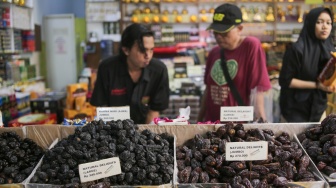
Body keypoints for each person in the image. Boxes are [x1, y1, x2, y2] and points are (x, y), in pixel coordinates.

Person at [197, 3, 272, 122]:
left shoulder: (250, 46)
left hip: (237, 127)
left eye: (224, 32)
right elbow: (208, 90)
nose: (219, 37)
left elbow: (258, 90)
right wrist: (199, 121)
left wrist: (262, 125)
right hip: (211, 124)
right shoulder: (214, 52)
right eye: (215, 32)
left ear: (240, 29)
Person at [90, 23, 170, 124]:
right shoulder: (107, 69)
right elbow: (102, 107)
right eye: (142, 50)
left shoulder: (159, 70)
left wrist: (144, 136)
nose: (148, 56)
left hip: (145, 129)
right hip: (113, 129)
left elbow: (154, 111)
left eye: (151, 50)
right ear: (126, 50)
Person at [279, 7, 335, 122]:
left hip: (318, 108)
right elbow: (286, 80)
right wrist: (316, 85)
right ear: (311, 23)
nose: (325, 26)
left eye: (328, 23)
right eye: (319, 22)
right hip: (295, 109)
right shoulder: (297, 49)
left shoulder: (330, 49)